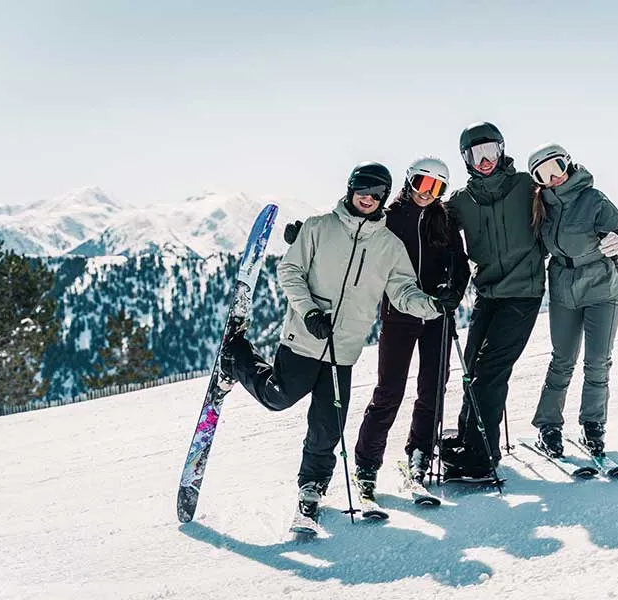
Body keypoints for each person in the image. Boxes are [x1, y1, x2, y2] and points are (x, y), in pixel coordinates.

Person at [218, 161, 457, 520]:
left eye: (378, 193)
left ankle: (311, 485)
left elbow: (402, 290)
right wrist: (309, 312)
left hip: (343, 348)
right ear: (350, 188)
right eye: (364, 189)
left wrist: (432, 305)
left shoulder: (389, 245)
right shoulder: (318, 228)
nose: (369, 198)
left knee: (328, 425)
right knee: (278, 396)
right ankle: (237, 358)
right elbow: (289, 270)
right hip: (304, 337)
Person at [352, 157, 470, 494]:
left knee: (433, 387)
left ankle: (420, 453)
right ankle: (367, 463)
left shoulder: (444, 221)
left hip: (437, 315)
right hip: (398, 315)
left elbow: (460, 266)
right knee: (389, 391)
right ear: (409, 181)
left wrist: (453, 293)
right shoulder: (388, 219)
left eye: (437, 187)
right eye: (422, 183)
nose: (427, 192)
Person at [440, 121, 547, 479]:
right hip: (488, 294)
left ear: (502, 151)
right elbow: (420, 222)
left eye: (490, 151)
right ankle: (469, 439)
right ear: (465, 159)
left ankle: (483, 456)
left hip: (523, 293)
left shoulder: (526, 187)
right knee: (472, 367)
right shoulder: (461, 202)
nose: (484, 160)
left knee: (490, 372)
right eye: (476, 154)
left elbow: (566, 194)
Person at [525, 143, 618, 457]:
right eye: (542, 175)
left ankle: (592, 425)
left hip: (601, 288)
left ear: (567, 165)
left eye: (556, 168)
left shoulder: (594, 199)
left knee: (598, 362)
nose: (552, 178)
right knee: (562, 361)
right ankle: (548, 425)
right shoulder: (541, 206)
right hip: (563, 289)